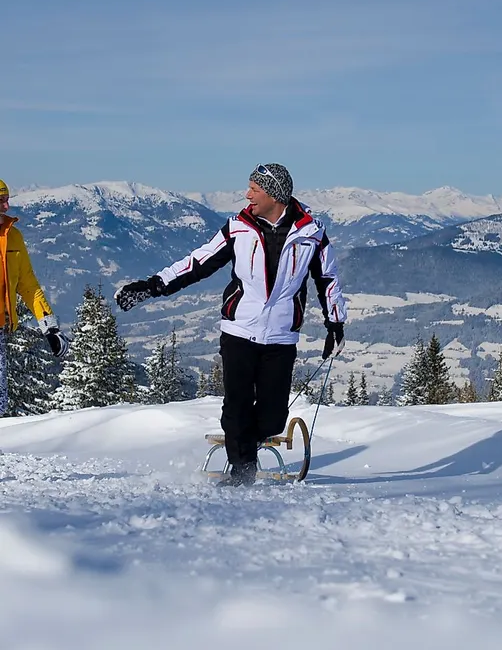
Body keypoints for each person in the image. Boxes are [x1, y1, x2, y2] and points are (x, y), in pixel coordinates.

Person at [115, 163, 347, 486]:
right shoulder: (237, 227)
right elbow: (198, 262)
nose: (246, 194)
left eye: (254, 188)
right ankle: (242, 473)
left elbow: (328, 278)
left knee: (272, 417)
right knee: (235, 407)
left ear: (274, 194)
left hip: (281, 337)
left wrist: (335, 323)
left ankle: (242, 445)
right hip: (238, 331)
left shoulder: (312, 233)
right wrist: (152, 285)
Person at [0, 179, 69, 416]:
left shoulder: (14, 238)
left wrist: (50, 328)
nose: (7, 207)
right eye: (1, 201)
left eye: (7, 200)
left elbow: (29, 286)